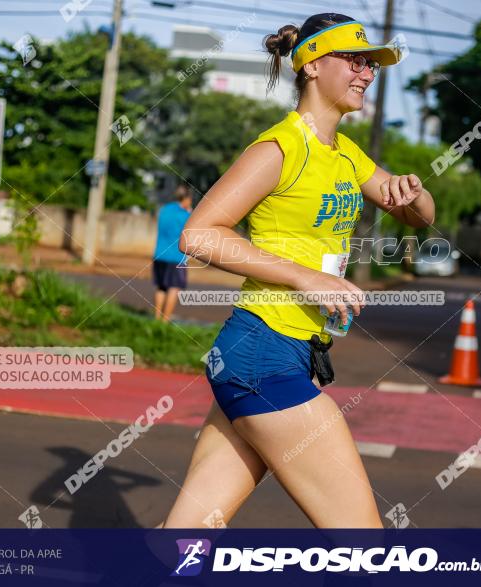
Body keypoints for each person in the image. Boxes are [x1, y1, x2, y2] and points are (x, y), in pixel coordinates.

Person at [159, 13, 435, 529]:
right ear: (310, 65)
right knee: (363, 546)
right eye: (353, 60)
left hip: (276, 355)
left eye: (371, 64)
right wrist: (307, 277)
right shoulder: (281, 147)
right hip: (264, 354)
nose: (367, 73)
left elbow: (420, 217)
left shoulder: (346, 155)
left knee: (182, 540)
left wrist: (414, 196)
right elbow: (198, 234)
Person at [152, 185, 193, 322]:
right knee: (174, 287)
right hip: (176, 257)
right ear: (186, 199)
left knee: (161, 287)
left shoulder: (164, 210)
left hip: (159, 254)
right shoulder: (185, 215)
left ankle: (157, 319)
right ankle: (165, 321)